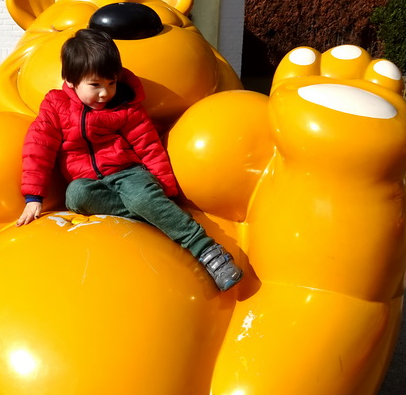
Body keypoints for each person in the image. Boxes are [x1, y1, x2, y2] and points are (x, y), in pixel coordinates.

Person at [16, 28, 243, 292]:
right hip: (89, 182)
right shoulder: (56, 106)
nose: (105, 93)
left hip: (128, 173)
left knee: (142, 197)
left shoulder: (125, 107)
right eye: (95, 85)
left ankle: (208, 252)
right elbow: (38, 147)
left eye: (111, 83)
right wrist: (34, 197)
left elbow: (149, 146)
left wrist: (165, 189)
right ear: (70, 81)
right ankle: (152, 216)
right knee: (75, 196)